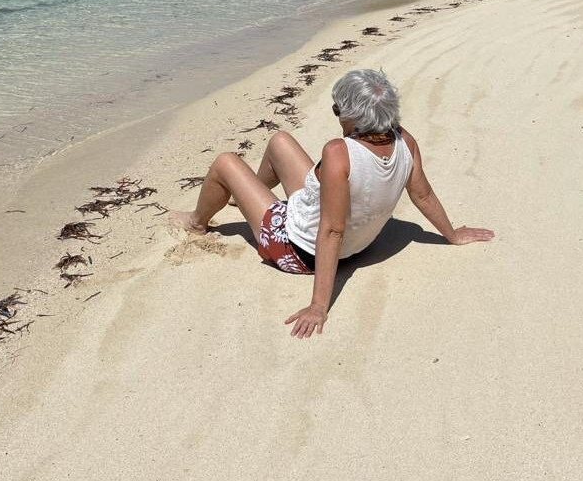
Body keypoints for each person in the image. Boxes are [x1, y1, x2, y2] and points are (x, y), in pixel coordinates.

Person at [171, 69, 494, 338]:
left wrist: (318, 306)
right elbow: (421, 194)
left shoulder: (339, 152)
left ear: (353, 116)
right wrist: (451, 234)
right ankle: (248, 194)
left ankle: (197, 222)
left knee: (225, 162)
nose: (336, 115)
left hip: (296, 249)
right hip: (357, 241)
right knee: (279, 140)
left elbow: (332, 231)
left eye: (337, 110)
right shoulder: (404, 141)